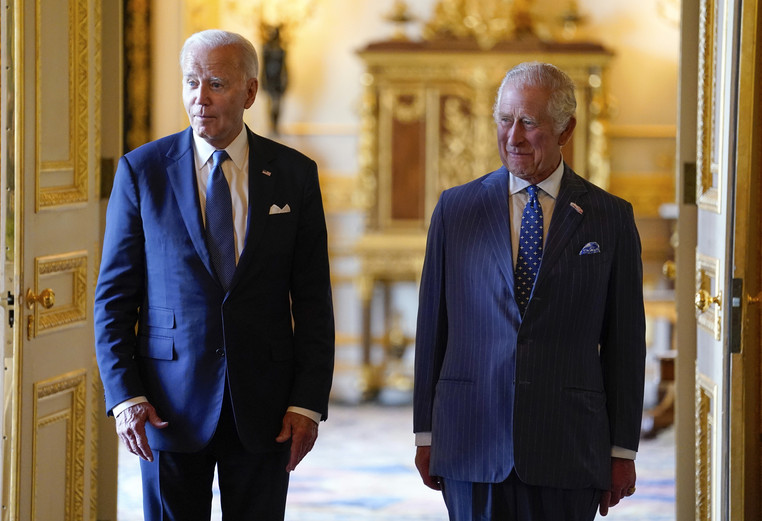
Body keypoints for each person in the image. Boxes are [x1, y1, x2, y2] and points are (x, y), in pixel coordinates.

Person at [94, 29, 334, 521]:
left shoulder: (294, 174)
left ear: (249, 92)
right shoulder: (142, 172)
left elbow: (312, 300)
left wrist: (308, 402)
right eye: (191, 83)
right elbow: (114, 298)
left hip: (265, 406)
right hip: (166, 403)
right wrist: (125, 396)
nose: (199, 99)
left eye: (216, 85)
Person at [413, 61, 646, 521]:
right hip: (471, 439)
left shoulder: (610, 217)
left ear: (565, 129)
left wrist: (622, 448)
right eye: (505, 119)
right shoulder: (456, 209)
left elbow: (624, 343)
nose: (513, 136)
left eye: (529, 123)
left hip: (568, 443)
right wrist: (426, 434)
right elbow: (431, 328)